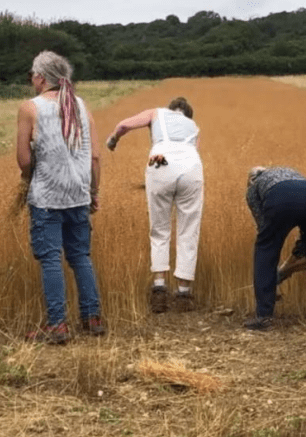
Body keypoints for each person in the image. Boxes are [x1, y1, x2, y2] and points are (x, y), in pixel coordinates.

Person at [17, 51, 103, 344]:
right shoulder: (81, 106)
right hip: (79, 195)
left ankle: (58, 325)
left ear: (40, 77)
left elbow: (23, 159)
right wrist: (93, 193)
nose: (32, 81)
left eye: (32, 76)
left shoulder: (31, 108)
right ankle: (92, 318)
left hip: (47, 197)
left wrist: (28, 180)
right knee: (80, 257)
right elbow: (94, 158)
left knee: (51, 258)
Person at [106, 97, 204, 313]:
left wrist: (113, 139)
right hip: (192, 167)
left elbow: (123, 125)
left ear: (170, 109)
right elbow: (193, 152)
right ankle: (184, 293)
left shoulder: (156, 112)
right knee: (189, 229)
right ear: (187, 114)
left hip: (160, 162)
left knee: (159, 229)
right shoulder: (194, 127)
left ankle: (159, 288)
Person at [244, 166, 306, 331]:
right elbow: (304, 246)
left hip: (282, 199)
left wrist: (270, 281)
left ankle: (264, 316)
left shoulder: (253, 188)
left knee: (266, 250)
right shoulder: (285, 172)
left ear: (251, 180)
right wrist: (299, 252)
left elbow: (263, 228)